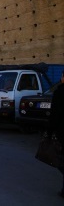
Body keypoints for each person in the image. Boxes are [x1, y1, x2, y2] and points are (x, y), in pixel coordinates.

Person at [48, 70, 64, 198]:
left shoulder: (60, 92)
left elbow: (54, 115)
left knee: (61, 162)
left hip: (62, 132)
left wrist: (48, 133)